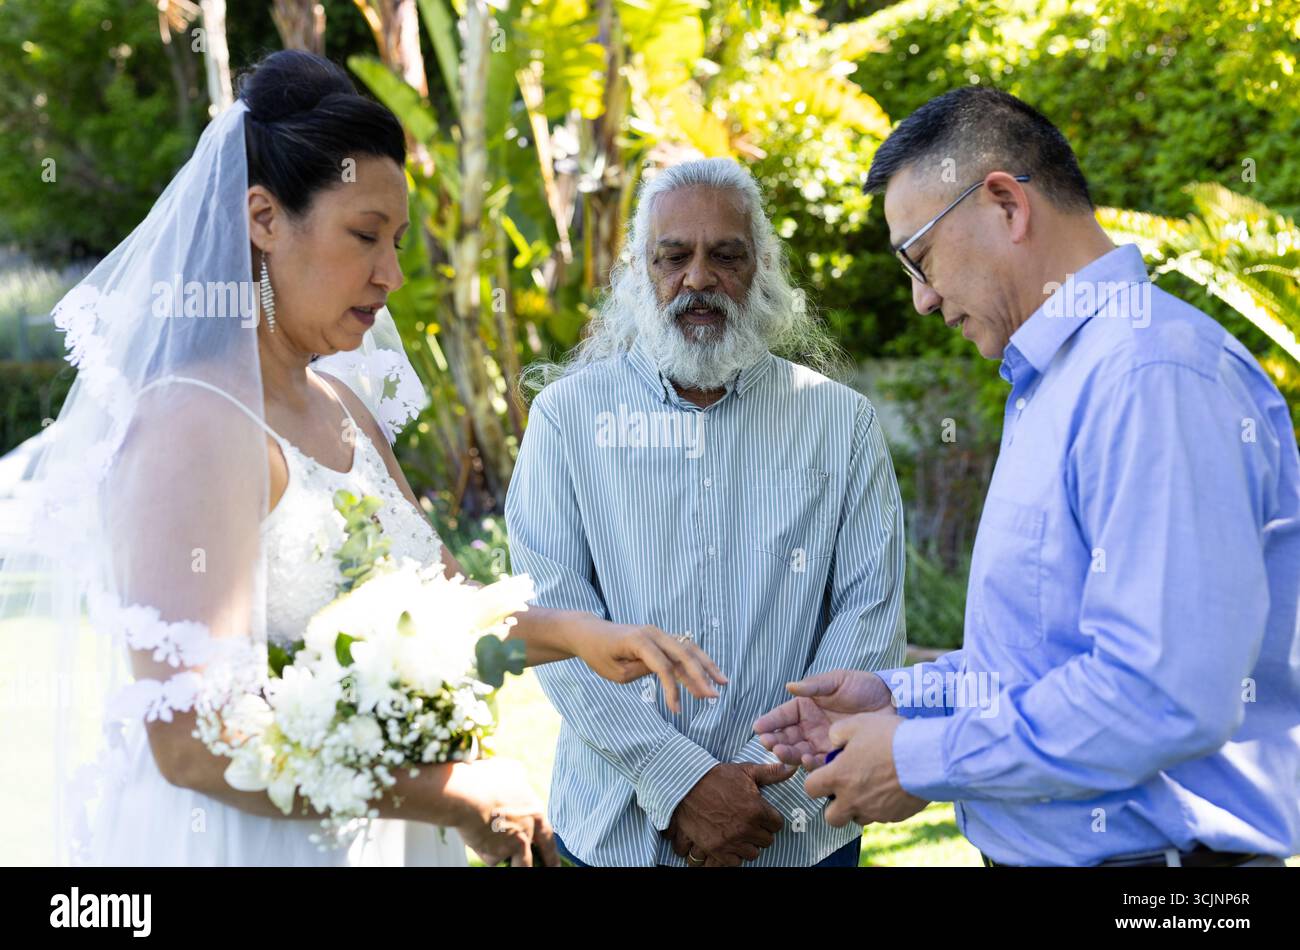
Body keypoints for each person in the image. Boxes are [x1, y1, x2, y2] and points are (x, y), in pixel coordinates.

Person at [0, 50, 722, 868]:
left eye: (399, 240)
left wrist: (587, 633)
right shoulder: (192, 426)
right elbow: (193, 739)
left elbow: (449, 605)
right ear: (264, 219)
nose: (392, 274)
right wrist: (455, 791)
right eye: (365, 236)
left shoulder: (344, 408)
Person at [756, 86, 1300, 867]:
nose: (921, 298)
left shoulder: (1153, 375)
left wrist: (920, 758)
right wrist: (904, 700)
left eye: (919, 256)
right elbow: (1040, 661)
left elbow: (1161, 693)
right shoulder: (1056, 384)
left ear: (1006, 203)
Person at [506, 157, 907, 866]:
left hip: (797, 831)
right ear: (639, 270)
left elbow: (867, 623)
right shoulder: (567, 420)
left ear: (762, 269)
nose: (698, 278)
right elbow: (555, 625)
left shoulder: (840, 423)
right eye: (673, 256)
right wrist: (682, 782)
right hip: (616, 832)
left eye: (726, 255)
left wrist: (758, 795)